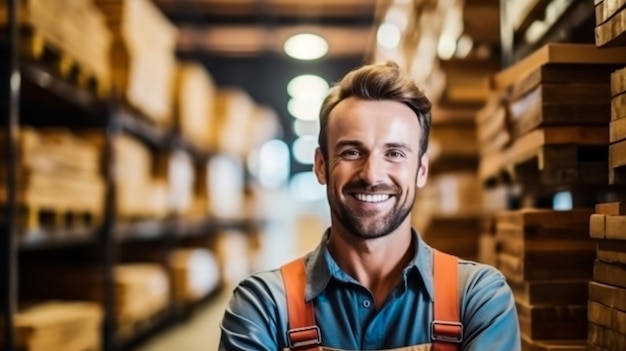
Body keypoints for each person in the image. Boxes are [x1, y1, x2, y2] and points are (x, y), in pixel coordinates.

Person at [218, 61, 520, 350]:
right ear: (321, 166)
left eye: (395, 153)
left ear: (422, 170)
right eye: (351, 152)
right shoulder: (264, 306)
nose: (372, 175)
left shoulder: (477, 298)